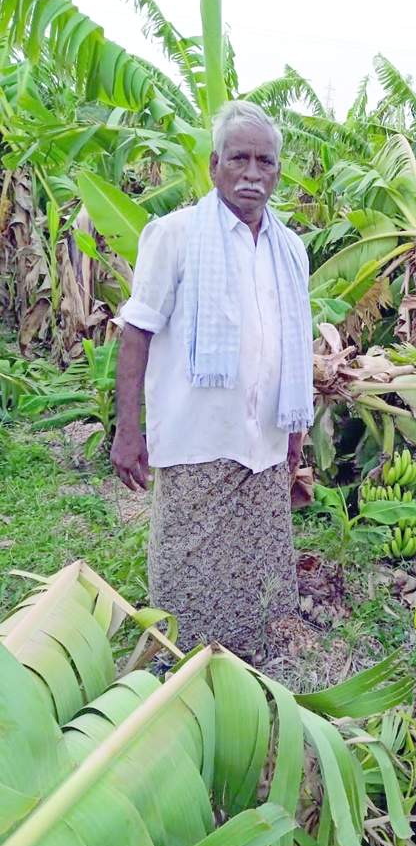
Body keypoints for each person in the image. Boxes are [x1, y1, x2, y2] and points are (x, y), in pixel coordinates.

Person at [111, 101, 313, 658]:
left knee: (259, 578)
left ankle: (251, 680)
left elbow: (289, 343)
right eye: (239, 158)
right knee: (190, 574)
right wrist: (128, 431)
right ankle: (183, 673)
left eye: (265, 161)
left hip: (266, 444)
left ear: (278, 170)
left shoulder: (289, 249)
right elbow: (137, 333)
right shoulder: (174, 235)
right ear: (213, 165)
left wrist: (295, 433)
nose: (253, 173)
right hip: (197, 439)